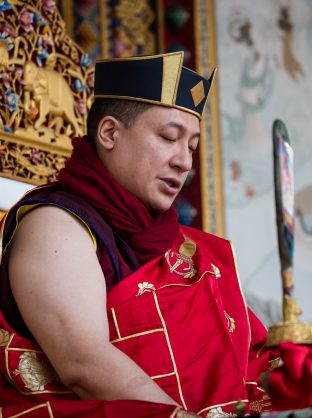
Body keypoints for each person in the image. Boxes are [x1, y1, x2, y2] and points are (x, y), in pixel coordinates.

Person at [0, 52, 311, 418]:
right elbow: (84, 365)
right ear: (110, 133)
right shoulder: (57, 226)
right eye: (168, 138)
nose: (184, 161)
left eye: (192, 146)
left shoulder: (184, 248)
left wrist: (290, 374)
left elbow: (242, 364)